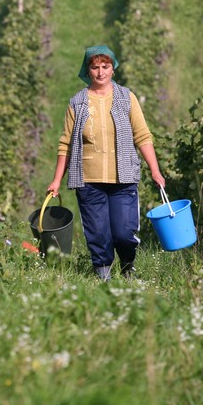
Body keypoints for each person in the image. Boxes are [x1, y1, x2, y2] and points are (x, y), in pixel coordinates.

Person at [47, 45, 165, 281]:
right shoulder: (77, 103)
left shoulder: (126, 98)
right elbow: (66, 144)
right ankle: (104, 278)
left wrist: (155, 169)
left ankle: (128, 266)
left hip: (122, 179)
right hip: (88, 181)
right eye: (95, 67)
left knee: (123, 232)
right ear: (87, 70)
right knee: (98, 233)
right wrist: (57, 180)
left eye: (105, 66)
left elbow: (142, 135)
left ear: (113, 69)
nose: (100, 72)